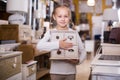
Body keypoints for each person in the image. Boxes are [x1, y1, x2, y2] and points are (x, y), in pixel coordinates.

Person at [36, 4, 86, 80]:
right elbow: (39, 46)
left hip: (71, 72)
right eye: (60, 16)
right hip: (55, 72)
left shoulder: (74, 33)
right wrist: (58, 44)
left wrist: (78, 61)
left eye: (65, 16)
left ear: (69, 17)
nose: (63, 19)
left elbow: (83, 51)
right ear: (54, 17)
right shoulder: (50, 32)